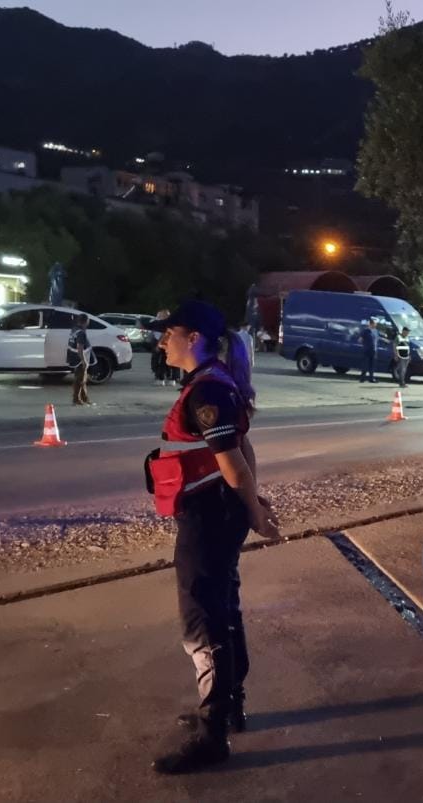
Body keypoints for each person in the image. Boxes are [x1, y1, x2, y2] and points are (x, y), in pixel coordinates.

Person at [145, 299, 279, 775]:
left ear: (194, 338)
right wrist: (252, 502)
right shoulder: (213, 382)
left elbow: (234, 462)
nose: (163, 341)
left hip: (209, 515)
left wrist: (254, 511)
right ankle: (228, 707)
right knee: (223, 607)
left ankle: (212, 733)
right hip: (216, 511)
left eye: (171, 333)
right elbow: (243, 448)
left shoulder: (208, 391)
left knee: (202, 618)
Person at [67, 313, 92, 405]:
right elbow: (79, 348)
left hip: (74, 357)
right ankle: (76, 399)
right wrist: (84, 361)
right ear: (86, 321)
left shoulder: (75, 330)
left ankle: (84, 398)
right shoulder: (81, 333)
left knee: (82, 379)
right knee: (80, 380)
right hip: (79, 359)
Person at [358, 318, 379, 383]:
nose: (375, 325)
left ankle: (371, 378)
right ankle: (362, 378)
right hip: (367, 350)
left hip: (374, 350)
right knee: (365, 364)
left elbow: (376, 340)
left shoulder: (376, 331)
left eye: (375, 324)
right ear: (371, 324)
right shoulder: (365, 331)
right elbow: (360, 340)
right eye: (374, 324)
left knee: (372, 365)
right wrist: (365, 344)